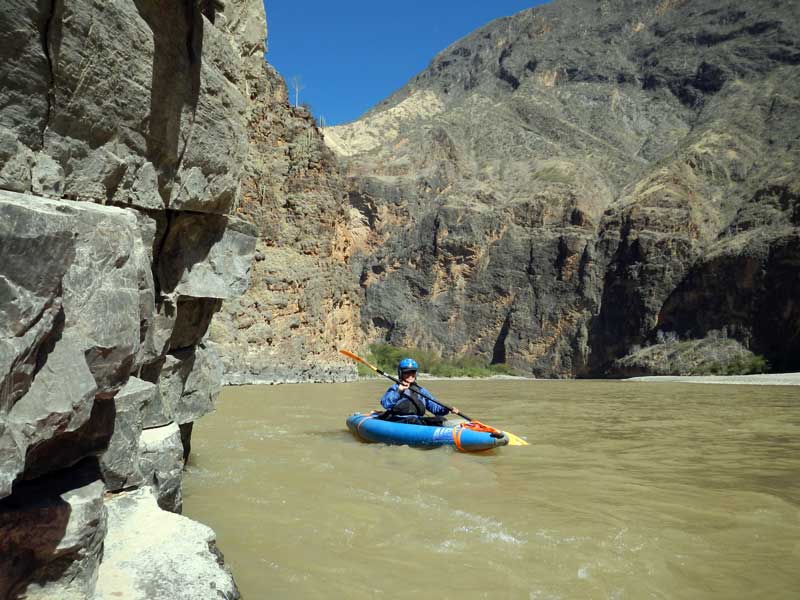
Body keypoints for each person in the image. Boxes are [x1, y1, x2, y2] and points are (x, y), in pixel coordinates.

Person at [379, 358, 450, 425]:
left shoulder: (421, 390)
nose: (410, 375)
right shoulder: (395, 388)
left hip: (417, 420)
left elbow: (435, 408)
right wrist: (399, 391)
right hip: (398, 419)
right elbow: (386, 404)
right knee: (413, 420)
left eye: (413, 372)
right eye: (407, 372)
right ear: (401, 373)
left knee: (440, 419)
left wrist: (447, 409)